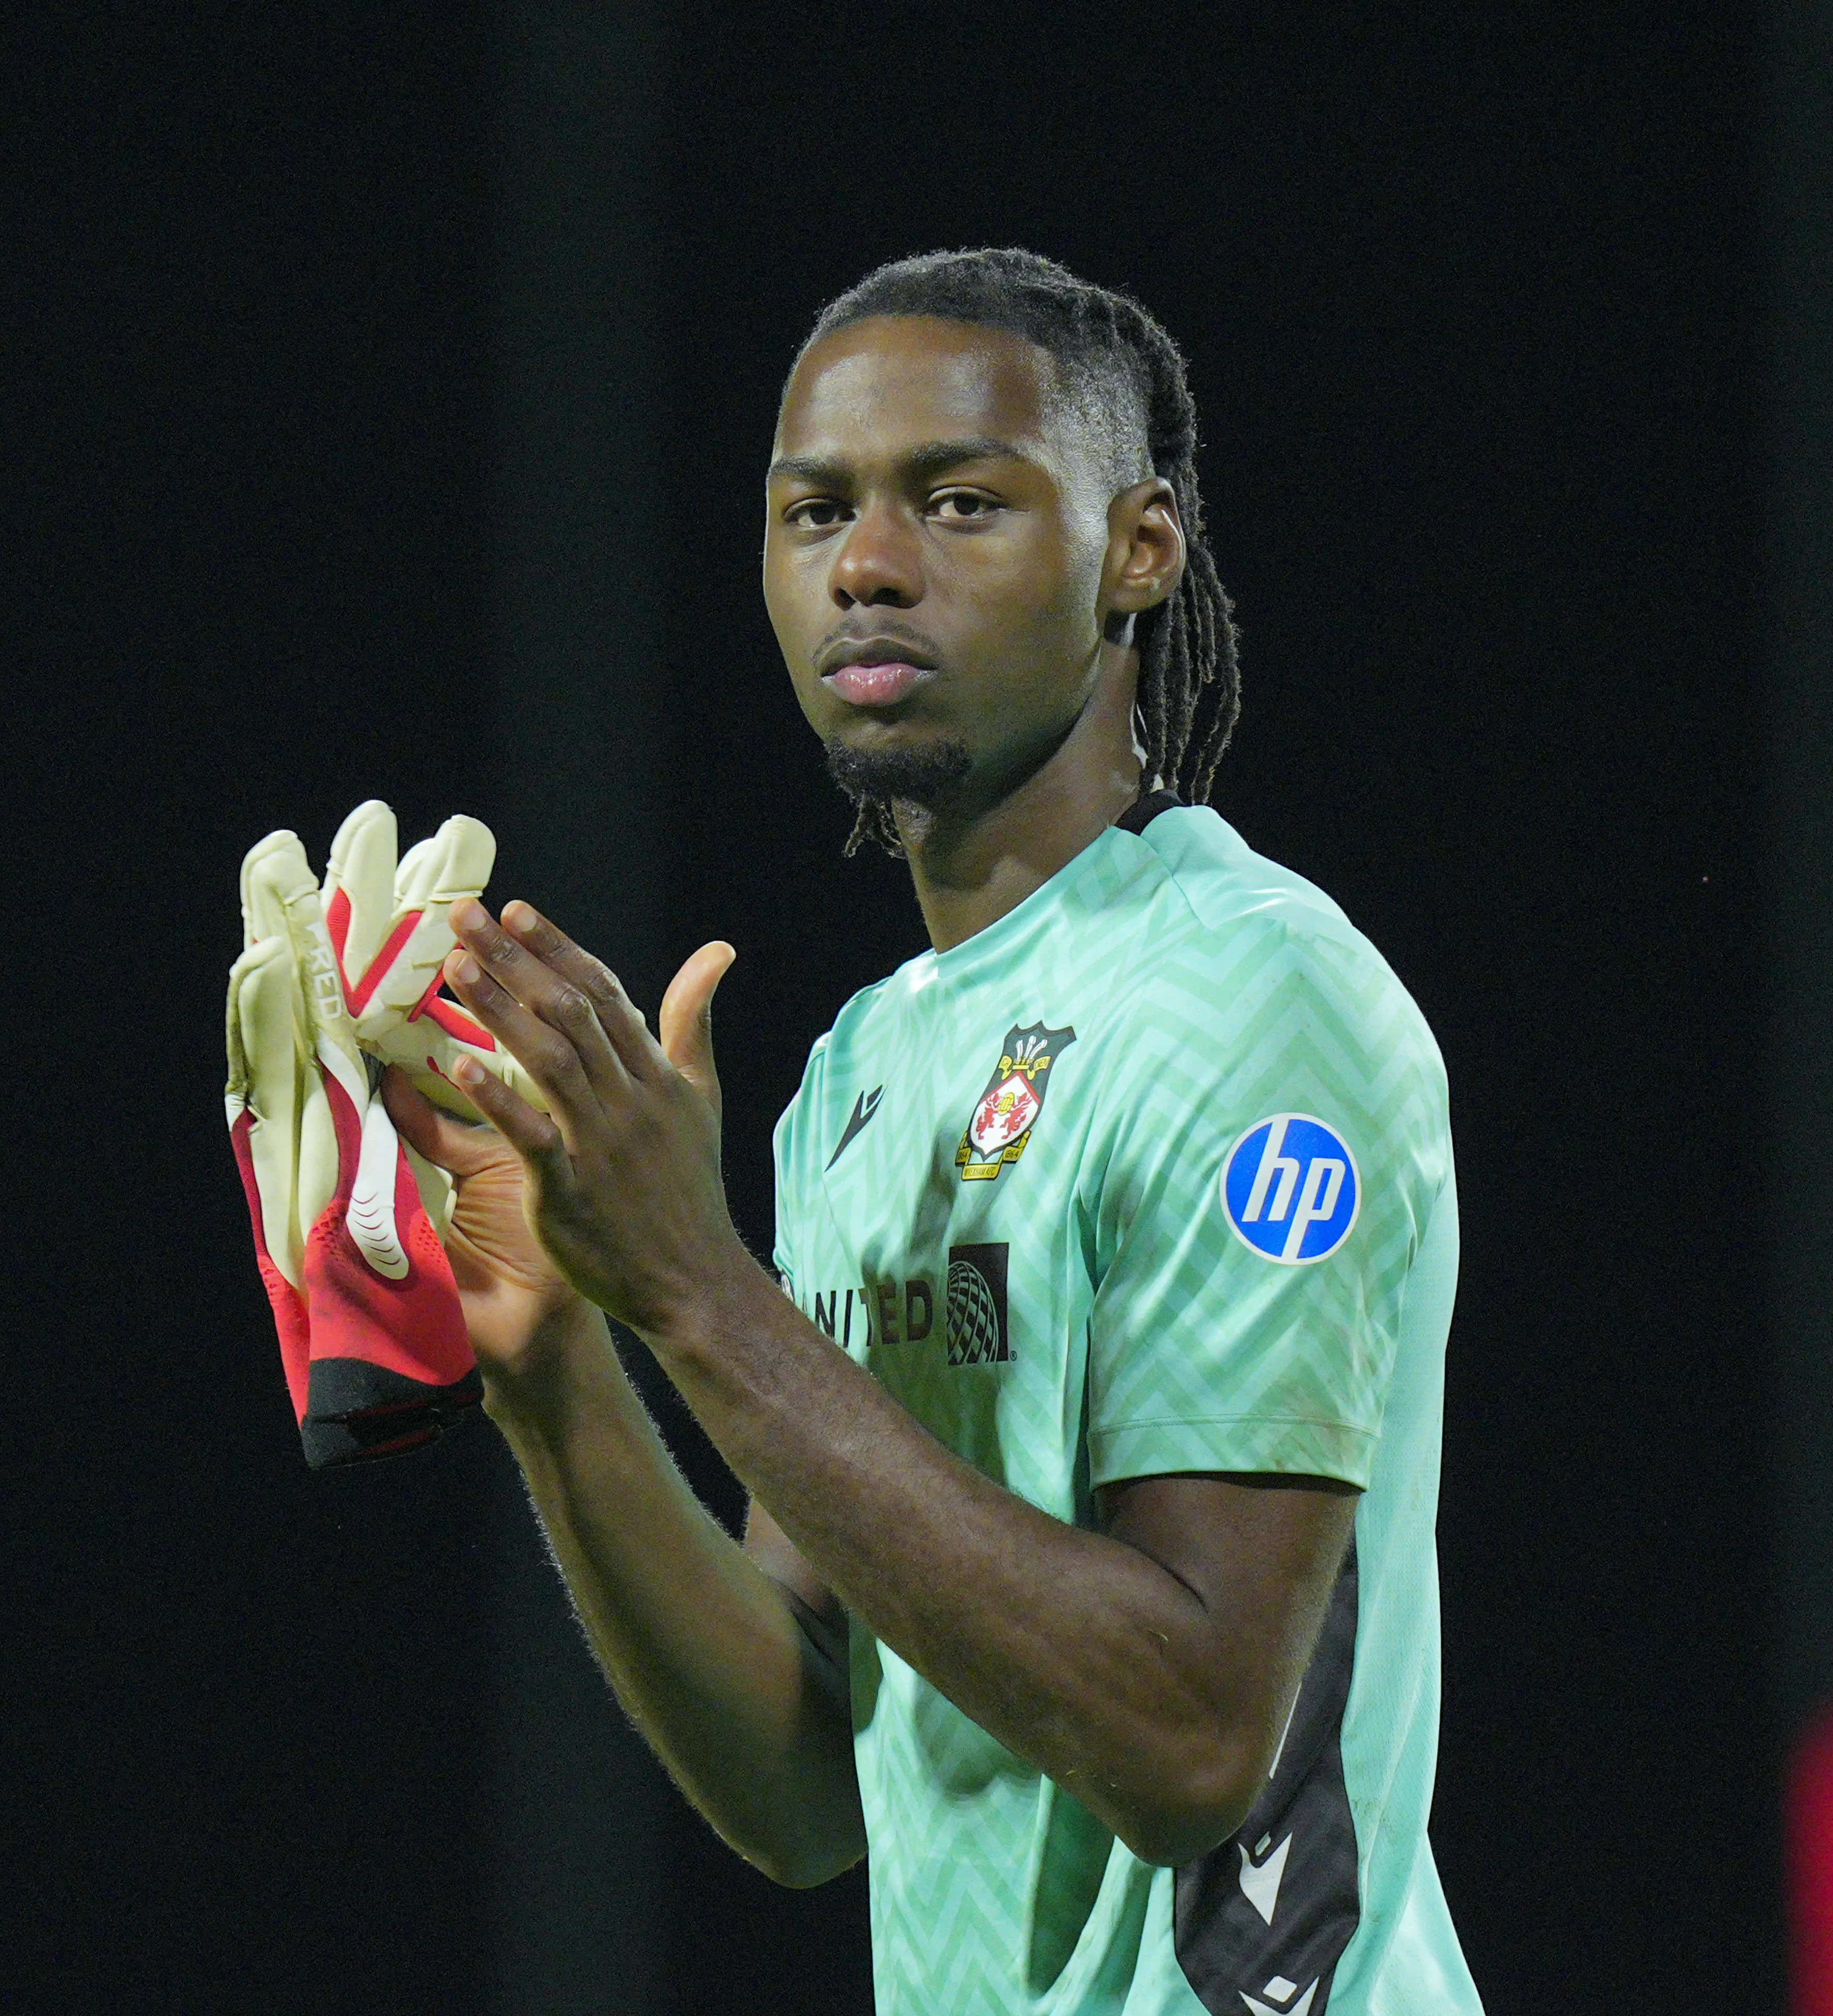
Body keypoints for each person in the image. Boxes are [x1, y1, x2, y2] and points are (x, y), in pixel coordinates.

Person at [381, 248, 1484, 2016]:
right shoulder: (862, 1073)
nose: (867, 567)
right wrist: (562, 1365)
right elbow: (813, 1773)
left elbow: (1195, 1739)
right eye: (812, 512)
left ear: (1136, 552)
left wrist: (698, 1291)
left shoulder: (1249, 1000)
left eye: (958, 502)